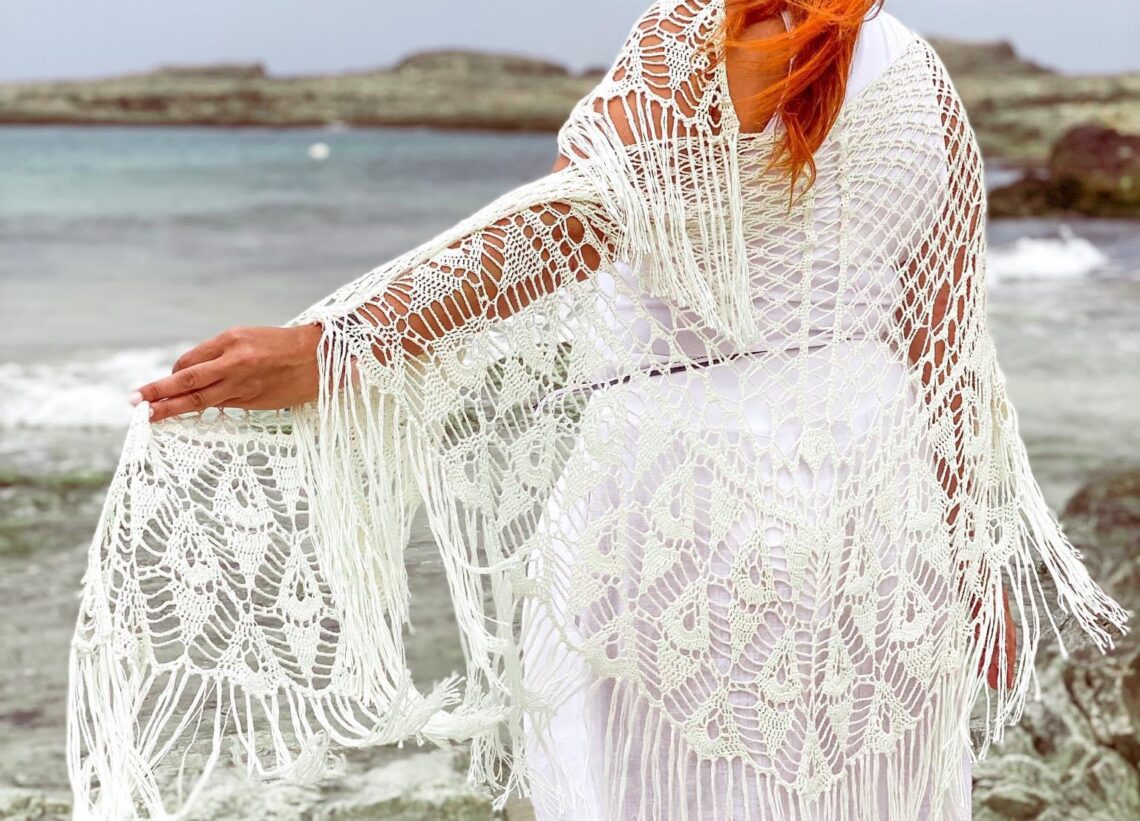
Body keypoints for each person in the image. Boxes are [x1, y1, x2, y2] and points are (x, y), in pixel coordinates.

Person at [83, 2, 1127, 820]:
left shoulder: (700, 31)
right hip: (872, 512)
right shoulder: (925, 85)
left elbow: (565, 230)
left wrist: (338, 345)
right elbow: (944, 347)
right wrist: (975, 560)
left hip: (681, 501)